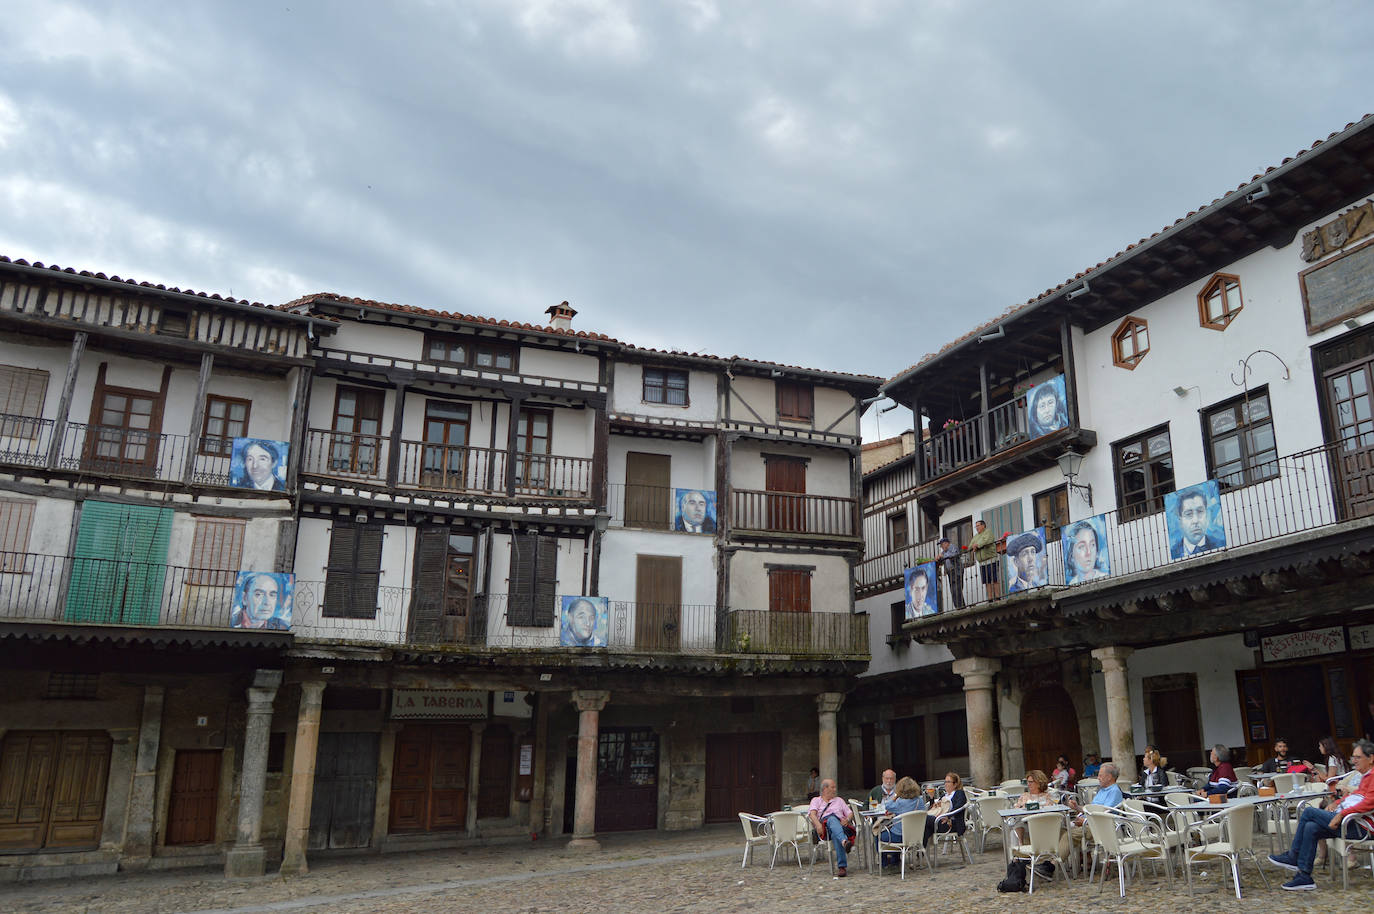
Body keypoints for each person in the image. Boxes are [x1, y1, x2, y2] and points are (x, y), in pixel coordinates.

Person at [1269, 738, 1374, 890]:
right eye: (1353, 757)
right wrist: (1336, 803)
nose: (1354, 761)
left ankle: (1294, 856)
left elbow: (1369, 802)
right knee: (1311, 827)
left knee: (1309, 812)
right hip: (1351, 821)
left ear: (1370, 758)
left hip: (1361, 827)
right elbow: (1357, 795)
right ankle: (1304, 877)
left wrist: (1341, 814)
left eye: (1358, 757)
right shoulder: (1366, 776)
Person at [808, 778, 855, 877]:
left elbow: (850, 813)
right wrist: (818, 825)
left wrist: (847, 820)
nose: (834, 790)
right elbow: (812, 815)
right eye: (832, 787)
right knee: (831, 819)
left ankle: (842, 867)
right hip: (824, 829)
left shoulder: (839, 800)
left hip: (839, 828)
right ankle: (844, 841)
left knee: (835, 835)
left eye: (835, 787)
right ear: (825, 789)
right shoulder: (816, 800)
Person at [876, 776, 927, 857]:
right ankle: (895, 861)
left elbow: (887, 806)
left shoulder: (900, 802)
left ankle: (884, 862)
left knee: (878, 836)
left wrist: (895, 797)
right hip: (915, 836)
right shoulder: (919, 800)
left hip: (899, 836)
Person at [1170, 487, 1222, 558]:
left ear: (1206, 514)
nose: (1195, 520)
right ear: (1180, 520)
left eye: (1200, 511)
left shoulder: (1220, 544)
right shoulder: (1173, 552)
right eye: (1188, 514)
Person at [923, 772, 967, 847]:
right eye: (945, 782)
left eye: (948, 782)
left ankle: (919, 848)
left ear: (955, 784)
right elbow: (934, 810)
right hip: (939, 821)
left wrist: (948, 816)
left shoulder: (959, 793)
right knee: (926, 826)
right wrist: (931, 798)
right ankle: (921, 851)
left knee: (925, 820)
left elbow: (959, 806)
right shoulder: (944, 795)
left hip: (951, 823)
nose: (946, 784)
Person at [970, 519, 1001, 600]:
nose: (976, 528)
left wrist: (977, 545)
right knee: (986, 581)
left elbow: (986, 541)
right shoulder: (975, 536)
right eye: (976, 526)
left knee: (994, 579)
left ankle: (997, 597)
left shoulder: (988, 532)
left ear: (983, 525)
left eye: (978, 526)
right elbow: (970, 546)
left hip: (991, 559)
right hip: (982, 563)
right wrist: (973, 546)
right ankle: (990, 598)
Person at [937, 537, 965, 610]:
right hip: (950, 573)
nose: (941, 547)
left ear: (946, 543)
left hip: (957, 571)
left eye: (942, 545)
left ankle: (961, 607)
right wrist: (938, 559)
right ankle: (958, 608)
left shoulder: (952, 547)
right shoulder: (944, 552)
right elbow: (942, 561)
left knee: (957, 590)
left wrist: (943, 556)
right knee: (953, 592)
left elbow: (954, 555)